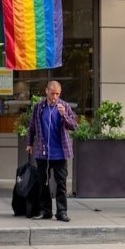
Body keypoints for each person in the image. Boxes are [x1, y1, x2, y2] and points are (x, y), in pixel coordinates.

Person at [26, 81, 77, 222]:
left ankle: (61, 212)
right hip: (43, 153)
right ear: (46, 91)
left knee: (61, 184)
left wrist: (64, 115)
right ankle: (45, 210)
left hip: (60, 153)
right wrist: (29, 143)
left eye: (57, 94)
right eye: (52, 93)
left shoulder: (64, 106)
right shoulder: (39, 107)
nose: (55, 96)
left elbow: (74, 126)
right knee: (43, 183)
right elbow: (32, 127)